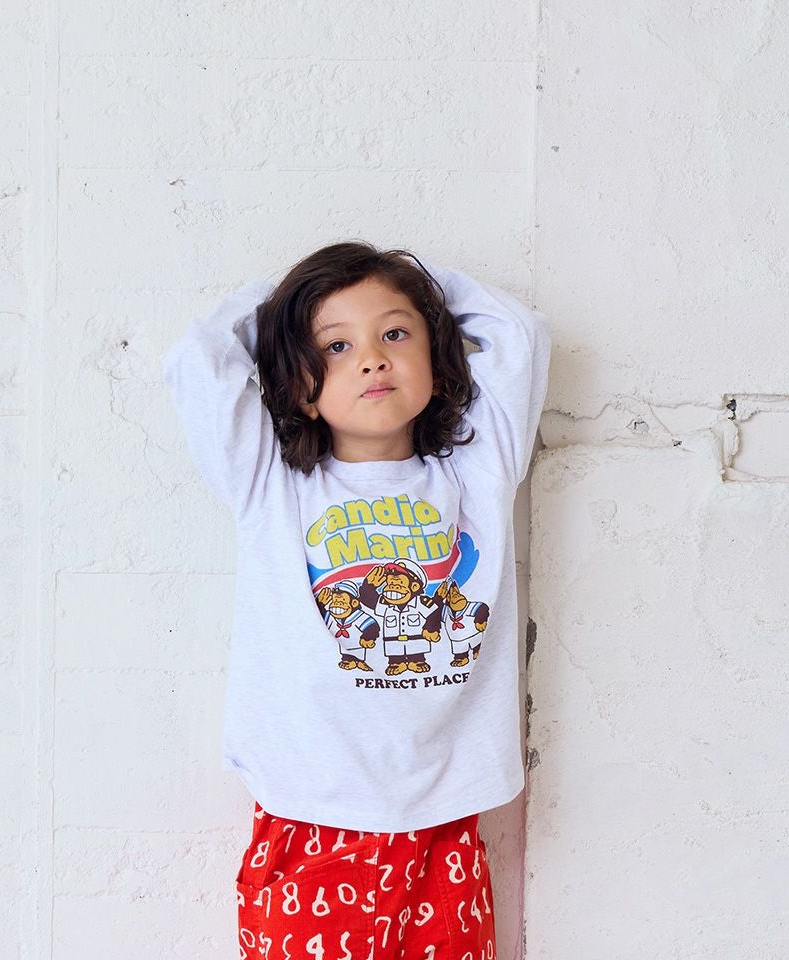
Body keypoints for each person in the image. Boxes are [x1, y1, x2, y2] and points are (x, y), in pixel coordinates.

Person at [161, 240, 551, 958]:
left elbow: (520, 336)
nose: (372, 358)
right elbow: (197, 360)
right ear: (299, 384)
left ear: (437, 357)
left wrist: (423, 287)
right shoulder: (271, 487)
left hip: (442, 827)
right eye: (336, 346)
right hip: (310, 819)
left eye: (395, 334)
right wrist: (280, 308)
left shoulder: (478, 478)